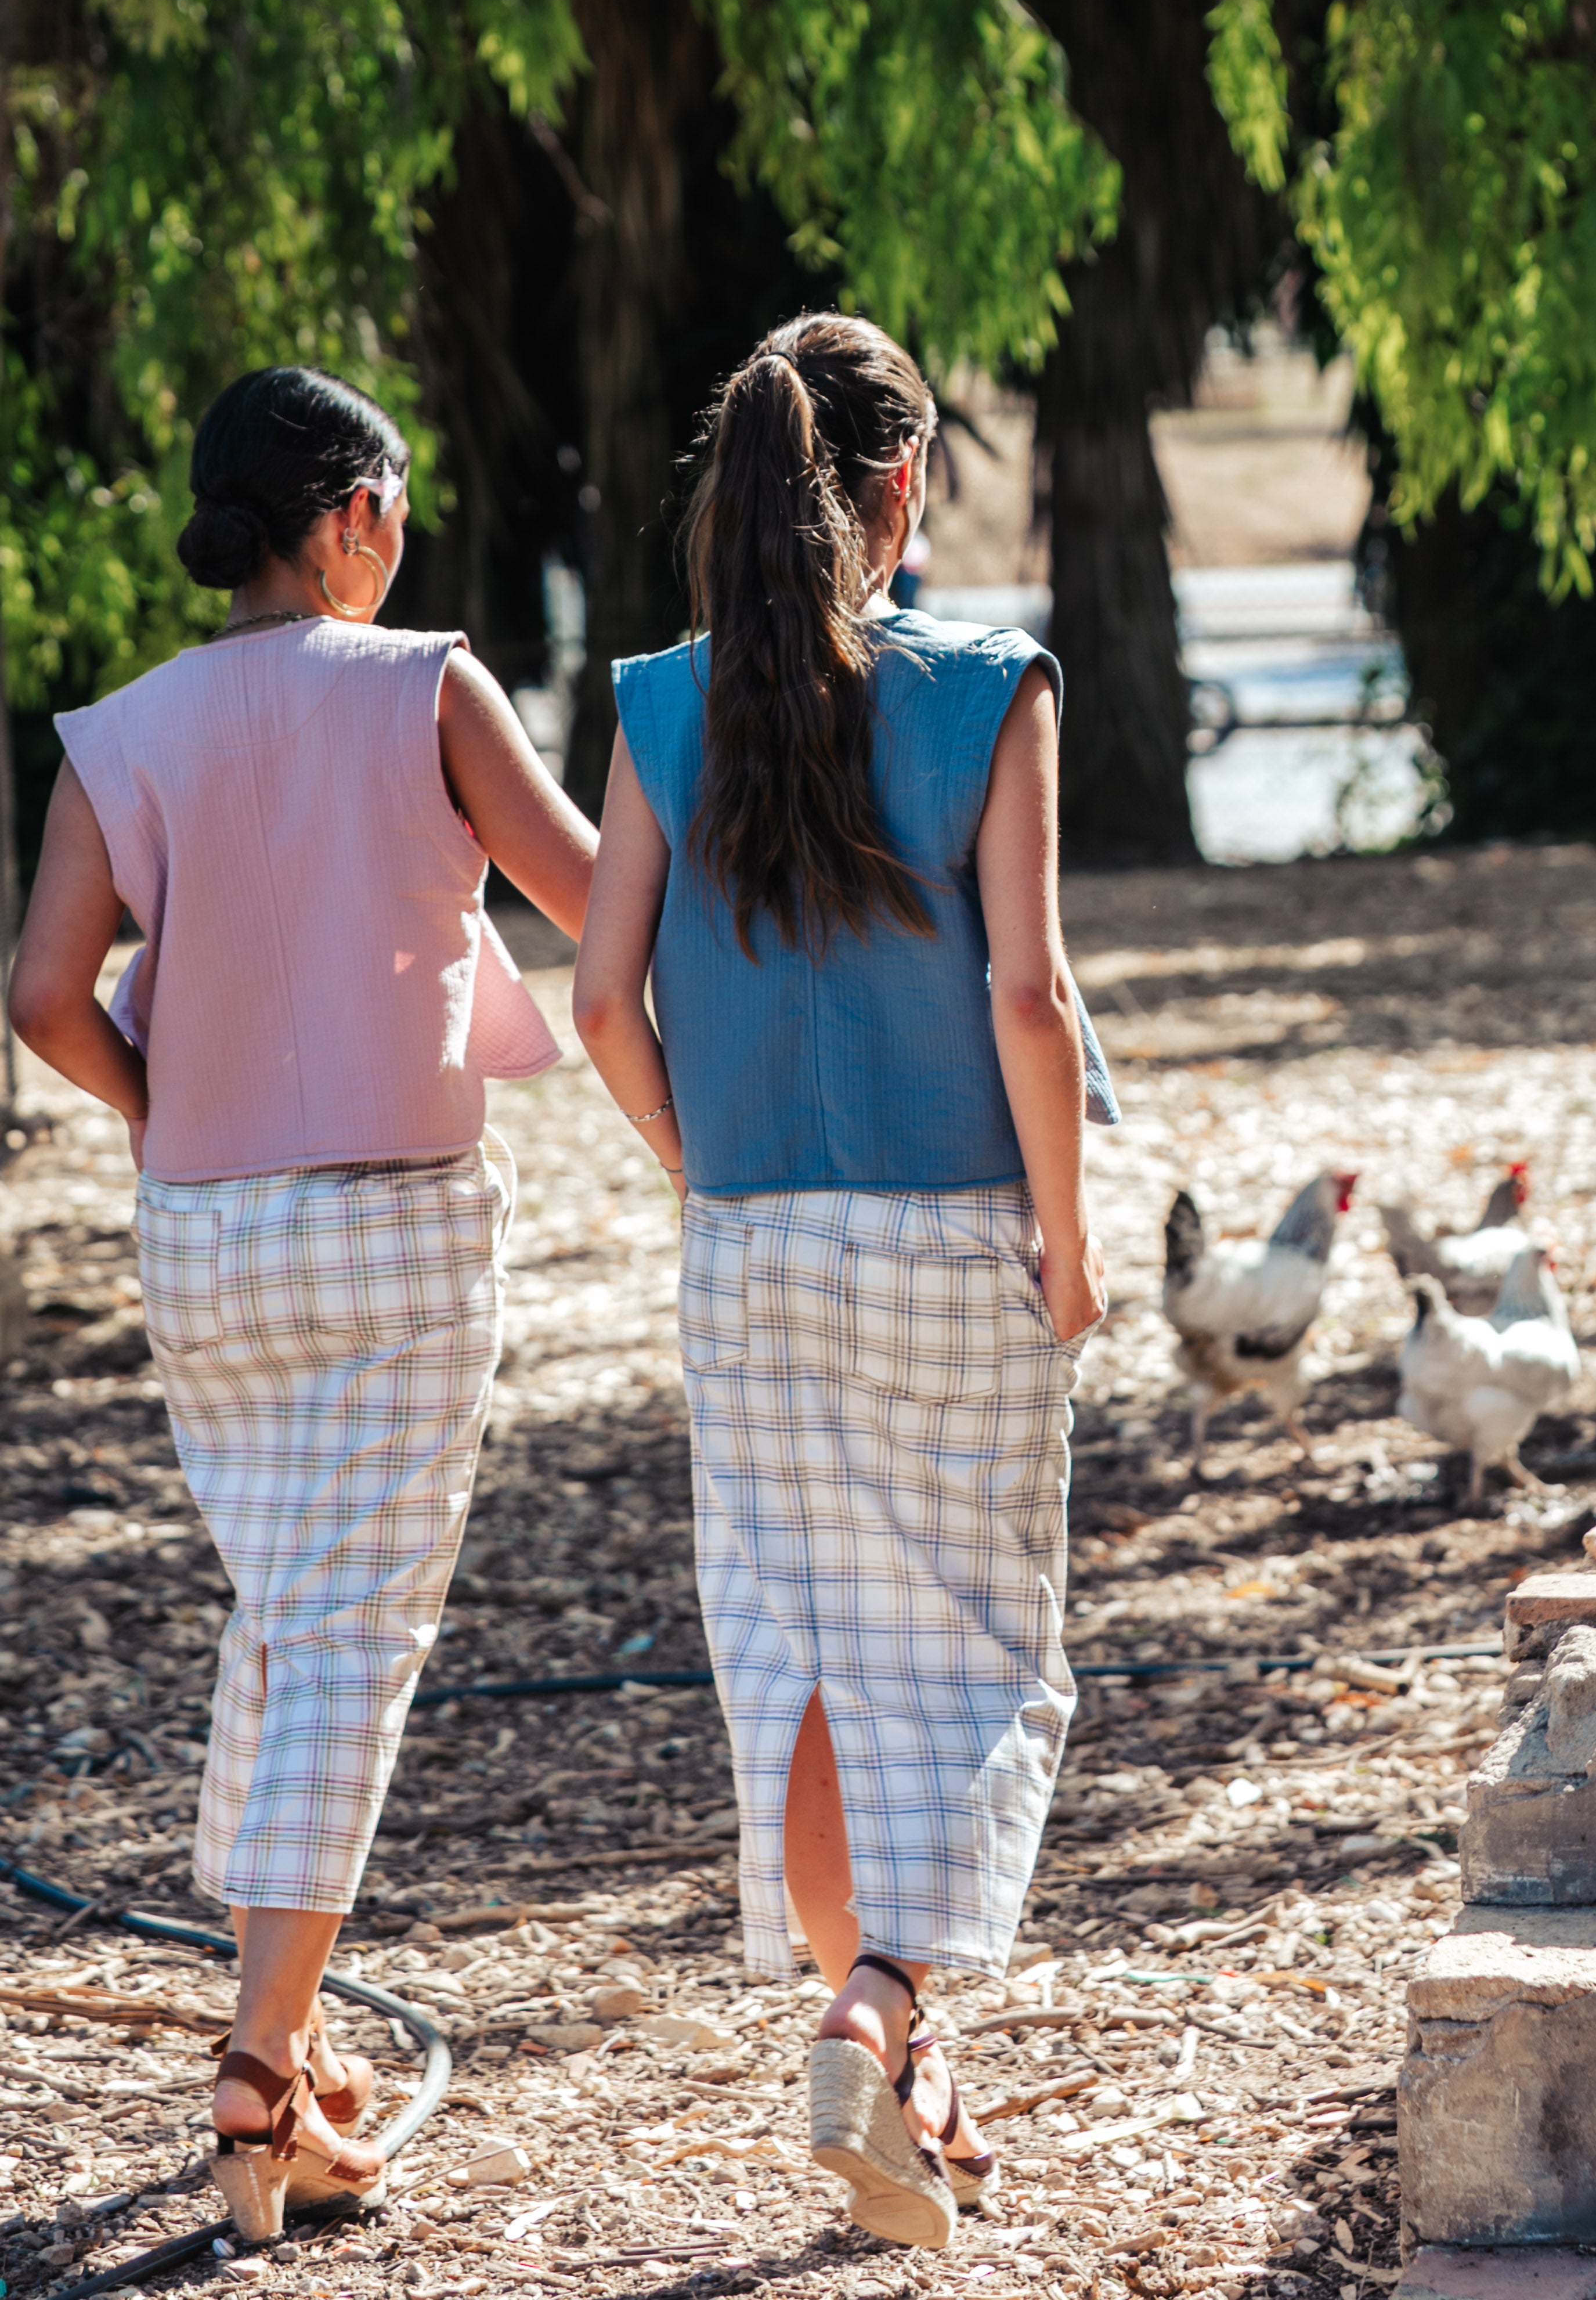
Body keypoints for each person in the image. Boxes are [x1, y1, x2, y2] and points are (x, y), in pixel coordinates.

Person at [9, 367, 597, 2244]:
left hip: (201, 1234)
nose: (405, 541)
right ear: (345, 517)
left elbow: (40, 1000)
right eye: (395, 506)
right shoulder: (428, 683)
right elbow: (595, 895)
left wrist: (161, 1103)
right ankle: (260, 2073)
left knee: (288, 1612)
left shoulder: (124, 730)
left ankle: (293, 2039)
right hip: (397, 1228)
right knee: (353, 1639)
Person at [572, 313, 1117, 2251]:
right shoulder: (994, 688)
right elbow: (1030, 1000)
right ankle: (881, 2005)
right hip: (956, 1225)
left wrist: (700, 1172)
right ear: (904, 487)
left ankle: (892, 2062)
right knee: (976, 1652)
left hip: (750, 1245)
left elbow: (598, 1002)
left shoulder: (659, 701)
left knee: (803, 1650)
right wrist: (1067, 1236)